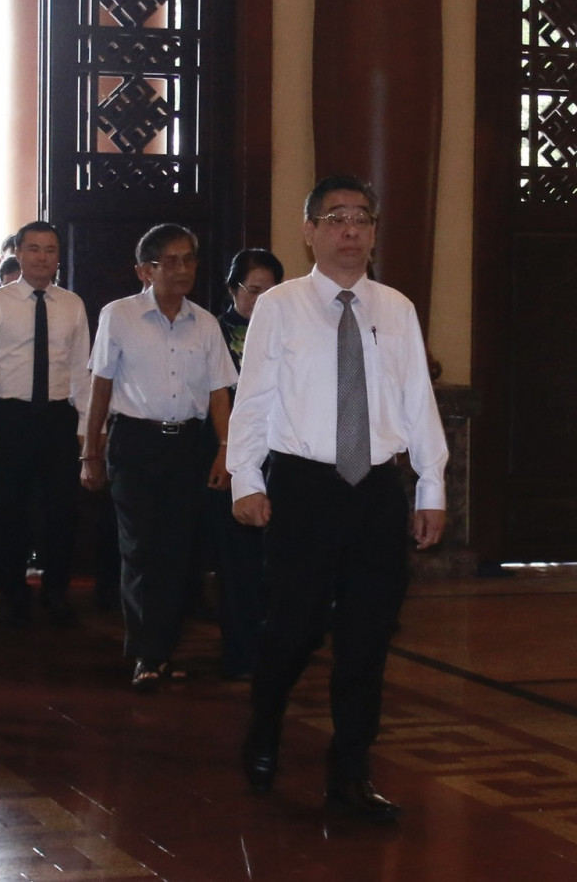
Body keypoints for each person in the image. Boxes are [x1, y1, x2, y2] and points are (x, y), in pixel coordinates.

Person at [228, 176, 448, 824]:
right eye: (336, 218)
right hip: (303, 486)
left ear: (374, 230)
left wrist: (430, 485)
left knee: (368, 637)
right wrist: (246, 479)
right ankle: (264, 725)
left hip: (376, 488)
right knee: (292, 629)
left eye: (362, 218)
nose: (351, 231)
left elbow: (417, 402)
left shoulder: (396, 307)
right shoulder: (281, 305)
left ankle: (350, 773)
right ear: (309, 230)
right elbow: (255, 397)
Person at [82, 224, 235, 689]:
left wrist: (226, 450)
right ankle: (147, 653)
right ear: (144, 269)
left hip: (189, 446)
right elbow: (101, 385)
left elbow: (218, 393)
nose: (182, 268)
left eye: (188, 258)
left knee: (177, 551)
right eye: (169, 260)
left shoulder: (205, 323)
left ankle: (161, 650)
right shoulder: (119, 315)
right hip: (135, 444)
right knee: (141, 547)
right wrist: (90, 451)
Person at [0, 221, 90, 624]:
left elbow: (81, 369)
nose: (43, 258)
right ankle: (12, 587)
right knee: (9, 508)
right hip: (9, 415)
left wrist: (85, 428)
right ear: (18, 253)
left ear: (59, 256)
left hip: (58, 416)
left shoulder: (72, 304)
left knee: (61, 509)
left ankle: (56, 588)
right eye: (34, 249)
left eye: (51, 250)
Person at [206, 249, 285, 679]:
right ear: (233, 289)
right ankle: (240, 652)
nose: (261, 300)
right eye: (253, 291)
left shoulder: (289, 331)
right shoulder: (214, 332)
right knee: (238, 562)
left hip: (284, 458)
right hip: (234, 457)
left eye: (270, 291)